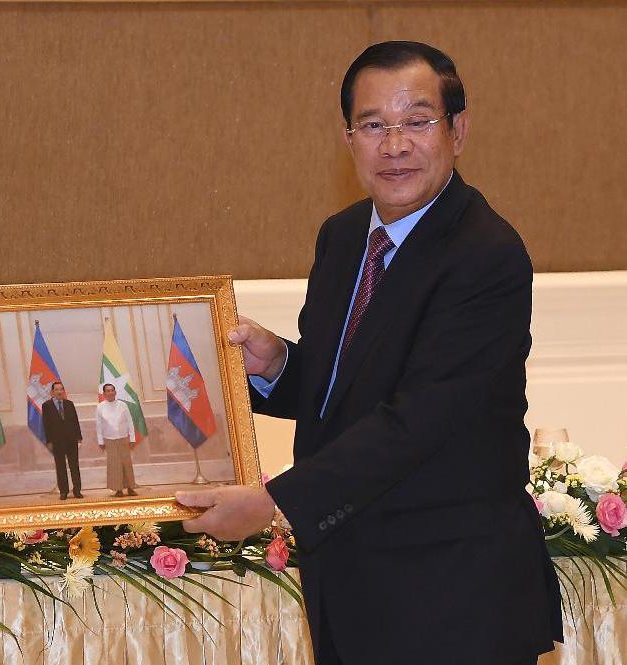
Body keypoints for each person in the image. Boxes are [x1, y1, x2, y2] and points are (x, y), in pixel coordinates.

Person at [177, 42, 562, 665]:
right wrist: (278, 367)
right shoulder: (345, 236)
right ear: (348, 138)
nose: (395, 144)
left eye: (417, 121)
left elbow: (417, 421)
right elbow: (351, 390)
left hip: (452, 599)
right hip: (353, 587)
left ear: (457, 131)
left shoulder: (485, 255)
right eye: (374, 124)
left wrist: (274, 502)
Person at [42, 381, 84, 499]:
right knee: (60, 467)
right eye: (57, 389)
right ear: (52, 392)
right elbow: (46, 424)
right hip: (57, 441)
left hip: (71, 440)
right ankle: (63, 491)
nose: (59, 392)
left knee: (74, 466)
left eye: (61, 389)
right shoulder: (47, 406)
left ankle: (77, 490)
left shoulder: (69, 404)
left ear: (63, 391)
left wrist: (79, 437)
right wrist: (49, 441)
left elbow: (75, 421)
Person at [95, 383, 138, 497]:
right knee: (114, 465)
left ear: (115, 392)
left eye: (112, 390)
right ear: (104, 394)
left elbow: (130, 422)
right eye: (107, 391)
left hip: (123, 438)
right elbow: (99, 425)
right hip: (109, 440)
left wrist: (132, 438)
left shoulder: (123, 405)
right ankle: (118, 489)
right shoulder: (100, 407)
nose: (110, 393)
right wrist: (101, 441)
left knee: (126, 464)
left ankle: (130, 488)